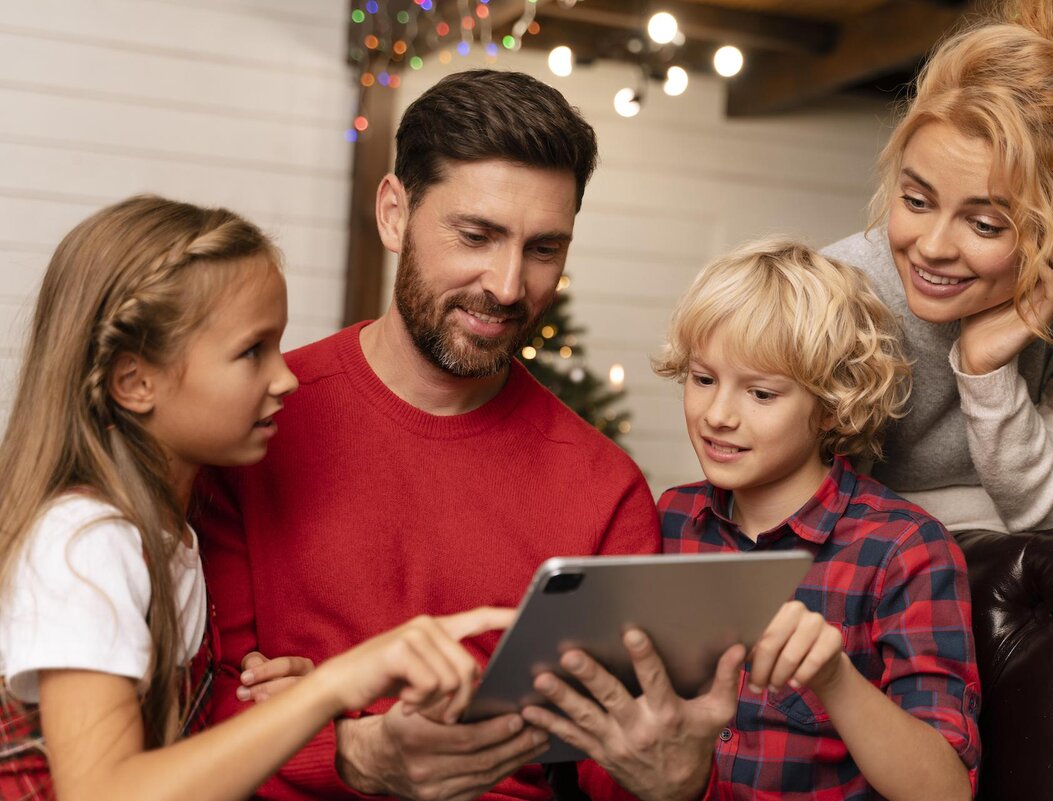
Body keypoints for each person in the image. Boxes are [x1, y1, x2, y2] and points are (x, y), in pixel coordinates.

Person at [192, 69, 661, 801]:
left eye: (544, 249)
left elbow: (613, 766)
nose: (508, 286)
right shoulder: (251, 424)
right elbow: (201, 707)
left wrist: (675, 776)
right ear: (394, 214)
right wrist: (351, 752)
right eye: (476, 236)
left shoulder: (606, 489)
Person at [0, 195, 514, 801]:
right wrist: (335, 686)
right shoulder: (86, 541)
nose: (286, 377)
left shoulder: (171, 533)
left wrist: (293, 705)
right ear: (135, 382)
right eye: (252, 352)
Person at [523, 238, 980, 801]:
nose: (717, 415)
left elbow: (946, 791)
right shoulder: (665, 521)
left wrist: (834, 679)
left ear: (832, 405)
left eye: (761, 393)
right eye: (703, 379)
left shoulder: (903, 550)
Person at [821, 0, 1053, 561]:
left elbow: (1052, 506)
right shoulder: (836, 294)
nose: (932, 247)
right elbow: (810, 518)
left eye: (984, 224)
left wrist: (986, 373)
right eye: (916, 200)